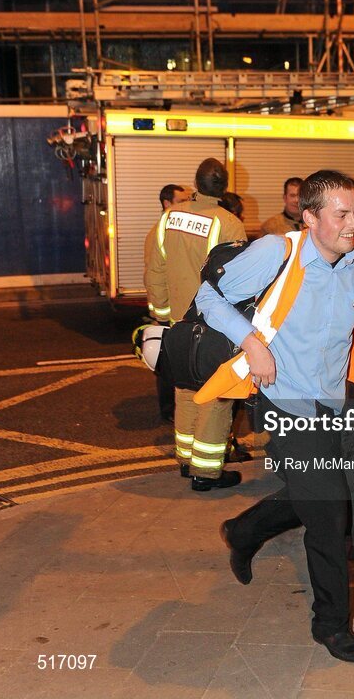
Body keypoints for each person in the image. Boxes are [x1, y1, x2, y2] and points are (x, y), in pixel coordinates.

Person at [195, 169, 354, 662]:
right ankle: (331, 625)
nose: (353, 223)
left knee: (318, 492)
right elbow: (208, 296)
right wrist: (251, 342)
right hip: (285, 397)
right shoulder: (276, 253)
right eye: (342, 214)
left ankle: (245, 530)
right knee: (330, 515)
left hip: (337, 397)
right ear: (311, 216)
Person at [145, 158, 246, 492]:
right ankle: (207, 472)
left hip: (178, 323)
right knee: (217, 395)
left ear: (195, 183)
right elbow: (238, 282)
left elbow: (155, 269)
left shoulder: (168, 219)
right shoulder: (229, 223)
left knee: (185, 389)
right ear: (225, 186)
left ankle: (187, 461)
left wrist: (161, 313)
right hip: (214, 326)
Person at [143, 184, 190, 421]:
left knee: (174, 361)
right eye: (181, 200)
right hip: (169, 310)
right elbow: (155, 275)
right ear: (167, 204)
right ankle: (169, 411)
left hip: (176, 308)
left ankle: (173, 408)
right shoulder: (160, 232)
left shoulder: (173, 228)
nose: (186, 205)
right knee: (167, 362)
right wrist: (161, 314)